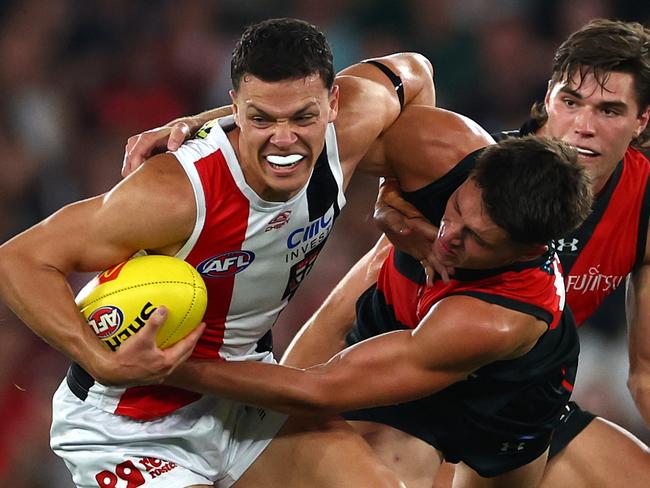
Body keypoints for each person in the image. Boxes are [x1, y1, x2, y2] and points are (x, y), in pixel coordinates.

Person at [0, 18, 439, 488]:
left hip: (244, 394)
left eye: (302, 117)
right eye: (262, 118)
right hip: (129, 427)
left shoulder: (353, 125)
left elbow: (416, 73)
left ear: (333, 104)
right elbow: (18, 260)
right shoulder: (176, 192)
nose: (284, 141)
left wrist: (400, 197)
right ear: (235, 108)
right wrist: (100, 359)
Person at [154, 135, 593, 488]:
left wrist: (167, 367)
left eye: (475, 239)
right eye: (455, 208)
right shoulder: (446, 148)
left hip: (507, 401)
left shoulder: (495, 321)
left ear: (527, 248)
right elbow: (326, 113)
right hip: (403, 336)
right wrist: (197, 131)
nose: (447, 237)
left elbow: (321, 389)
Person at [368, 18, 650, 488]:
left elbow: (644, 373)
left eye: (609, 110)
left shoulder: (644, 203)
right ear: (549, 97)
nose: (583, 128)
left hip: (517, 403)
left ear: (643, 120)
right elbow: (369, 165)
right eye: (571, 102)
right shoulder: (482, 172)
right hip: (414, 390)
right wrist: (389, 215)